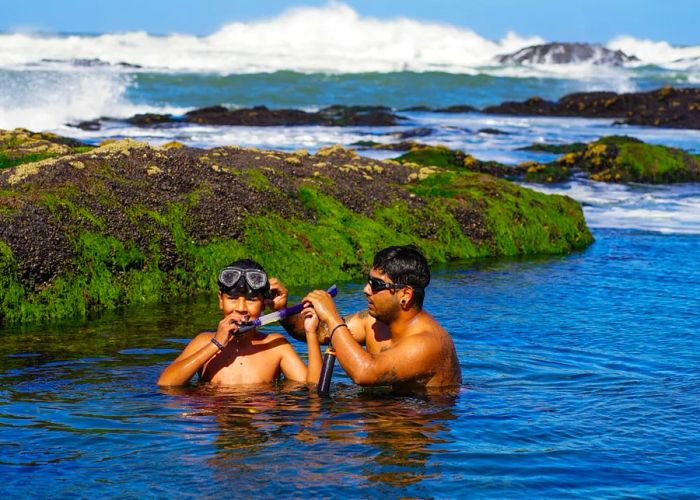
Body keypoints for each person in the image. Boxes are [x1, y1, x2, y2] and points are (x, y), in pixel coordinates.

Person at [295, 244, 462, 392]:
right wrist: (280, 309)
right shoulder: (373, 322)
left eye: (376, 284)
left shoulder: (427, 343)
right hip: (382, 411)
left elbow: (364, 373)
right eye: (368, 281)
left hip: (414, 421)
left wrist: (332, 317)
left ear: (405, 295)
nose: (366, 289)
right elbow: (318, 331)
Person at [157, 258, 321, 387]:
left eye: (251, 300)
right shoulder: (204, 342)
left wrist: (311, 332)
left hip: (259, 424)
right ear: (220, 300)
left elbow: (313, 389)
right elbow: (166, 384)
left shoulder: (276, 346)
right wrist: (216, 344)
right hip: (218, 425)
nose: (241, 308)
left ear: (264, 303)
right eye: (233, 299)